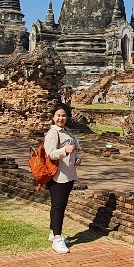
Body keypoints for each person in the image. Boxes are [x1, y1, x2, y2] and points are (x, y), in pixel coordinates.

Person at [43, 103, 80, 254]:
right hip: (57, 175)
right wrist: (65, 150)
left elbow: (75, 149)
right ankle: (57, 238)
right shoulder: (53, 133)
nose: (61, 118)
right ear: (53, 117)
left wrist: (76, 157)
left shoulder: (67, 132)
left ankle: (54, 233)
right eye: (58, 115)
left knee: (60, 205)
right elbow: (50, 153)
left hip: (68, 174)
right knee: (58, 206)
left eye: (64, 115)